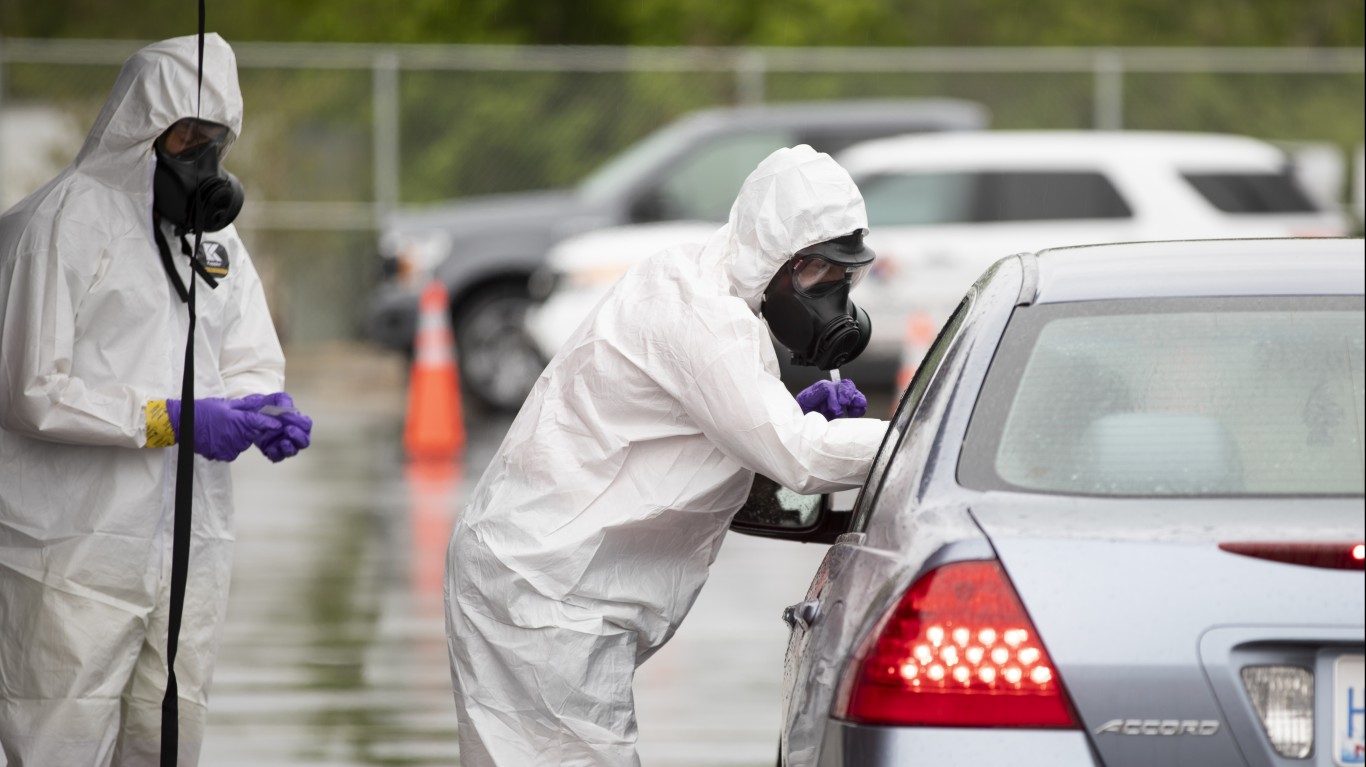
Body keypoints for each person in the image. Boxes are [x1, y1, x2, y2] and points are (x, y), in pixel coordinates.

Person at [444, 144, 888, 766]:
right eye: (819, 274)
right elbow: (801, 459)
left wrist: (789, 416)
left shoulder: (705, 288)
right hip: (544, 593)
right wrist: (925, 430)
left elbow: (720, 441)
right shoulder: (704, 316)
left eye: (845, 278)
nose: (835, 296)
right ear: (775, 254)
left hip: (544, 582)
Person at [0, 34, 311, 765]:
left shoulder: (213, 239)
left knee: (168, 738)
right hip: (71, 552)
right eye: (186, 136)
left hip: (187, 547)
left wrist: (263, 407)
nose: (203, 157)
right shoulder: (59, 225)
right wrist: (167, 416)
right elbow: (29, 390)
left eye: (217, 138)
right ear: (140, 128)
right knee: (60, 742)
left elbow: (247, 353)